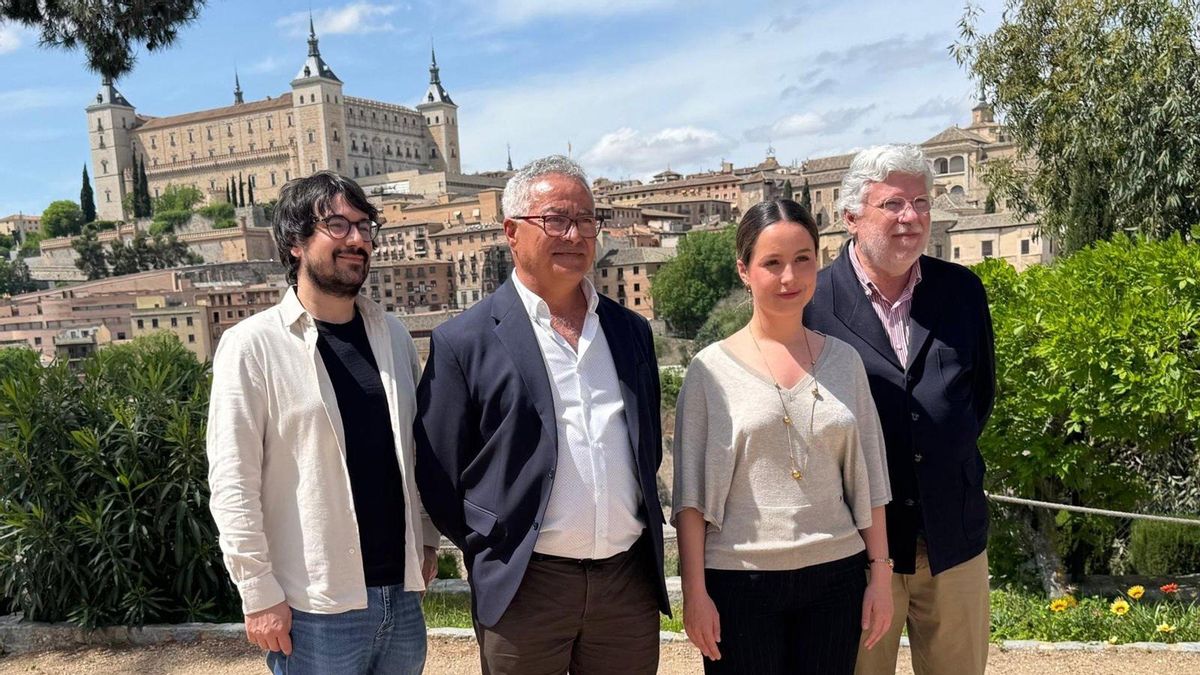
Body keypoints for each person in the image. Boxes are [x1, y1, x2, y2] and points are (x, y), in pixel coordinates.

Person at [415, 155, 671, 675]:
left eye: (585, 220)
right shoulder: (463, 341)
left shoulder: (630, 332)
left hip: (626, 585)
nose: (574, 234)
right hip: (524, 587)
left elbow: (645, 447)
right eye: (556, 219)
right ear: (512, 231)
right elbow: (438, 472)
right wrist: (491, 542)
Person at [206, 171, 440, 675]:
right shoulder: (252, 346)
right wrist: (258, 592)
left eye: (364, 225)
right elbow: (232, 484)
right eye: (337, 225)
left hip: (400, 597)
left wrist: (423, 537)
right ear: (294, 242)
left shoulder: (393, 335)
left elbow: (415, 450)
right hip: (314, 607)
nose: (357, 239)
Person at [673, 199, 894, 674]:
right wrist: (695, 593)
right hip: (739, 582)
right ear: (744, 270)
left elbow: (870, 478)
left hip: (837, 577)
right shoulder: (709, 370)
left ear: (819, 261)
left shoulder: (845, 363)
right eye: (772, 263)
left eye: (802, 260)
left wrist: (880, 576)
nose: (789, 278)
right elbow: (689, 498)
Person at [803, 144, 996, 675]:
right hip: (853, 554)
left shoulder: (962, 291)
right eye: (893, 204)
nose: (911, 217)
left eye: (920, 202)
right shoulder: (812, 302)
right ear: (850, 217)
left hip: (953, 542)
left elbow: (977, 398)